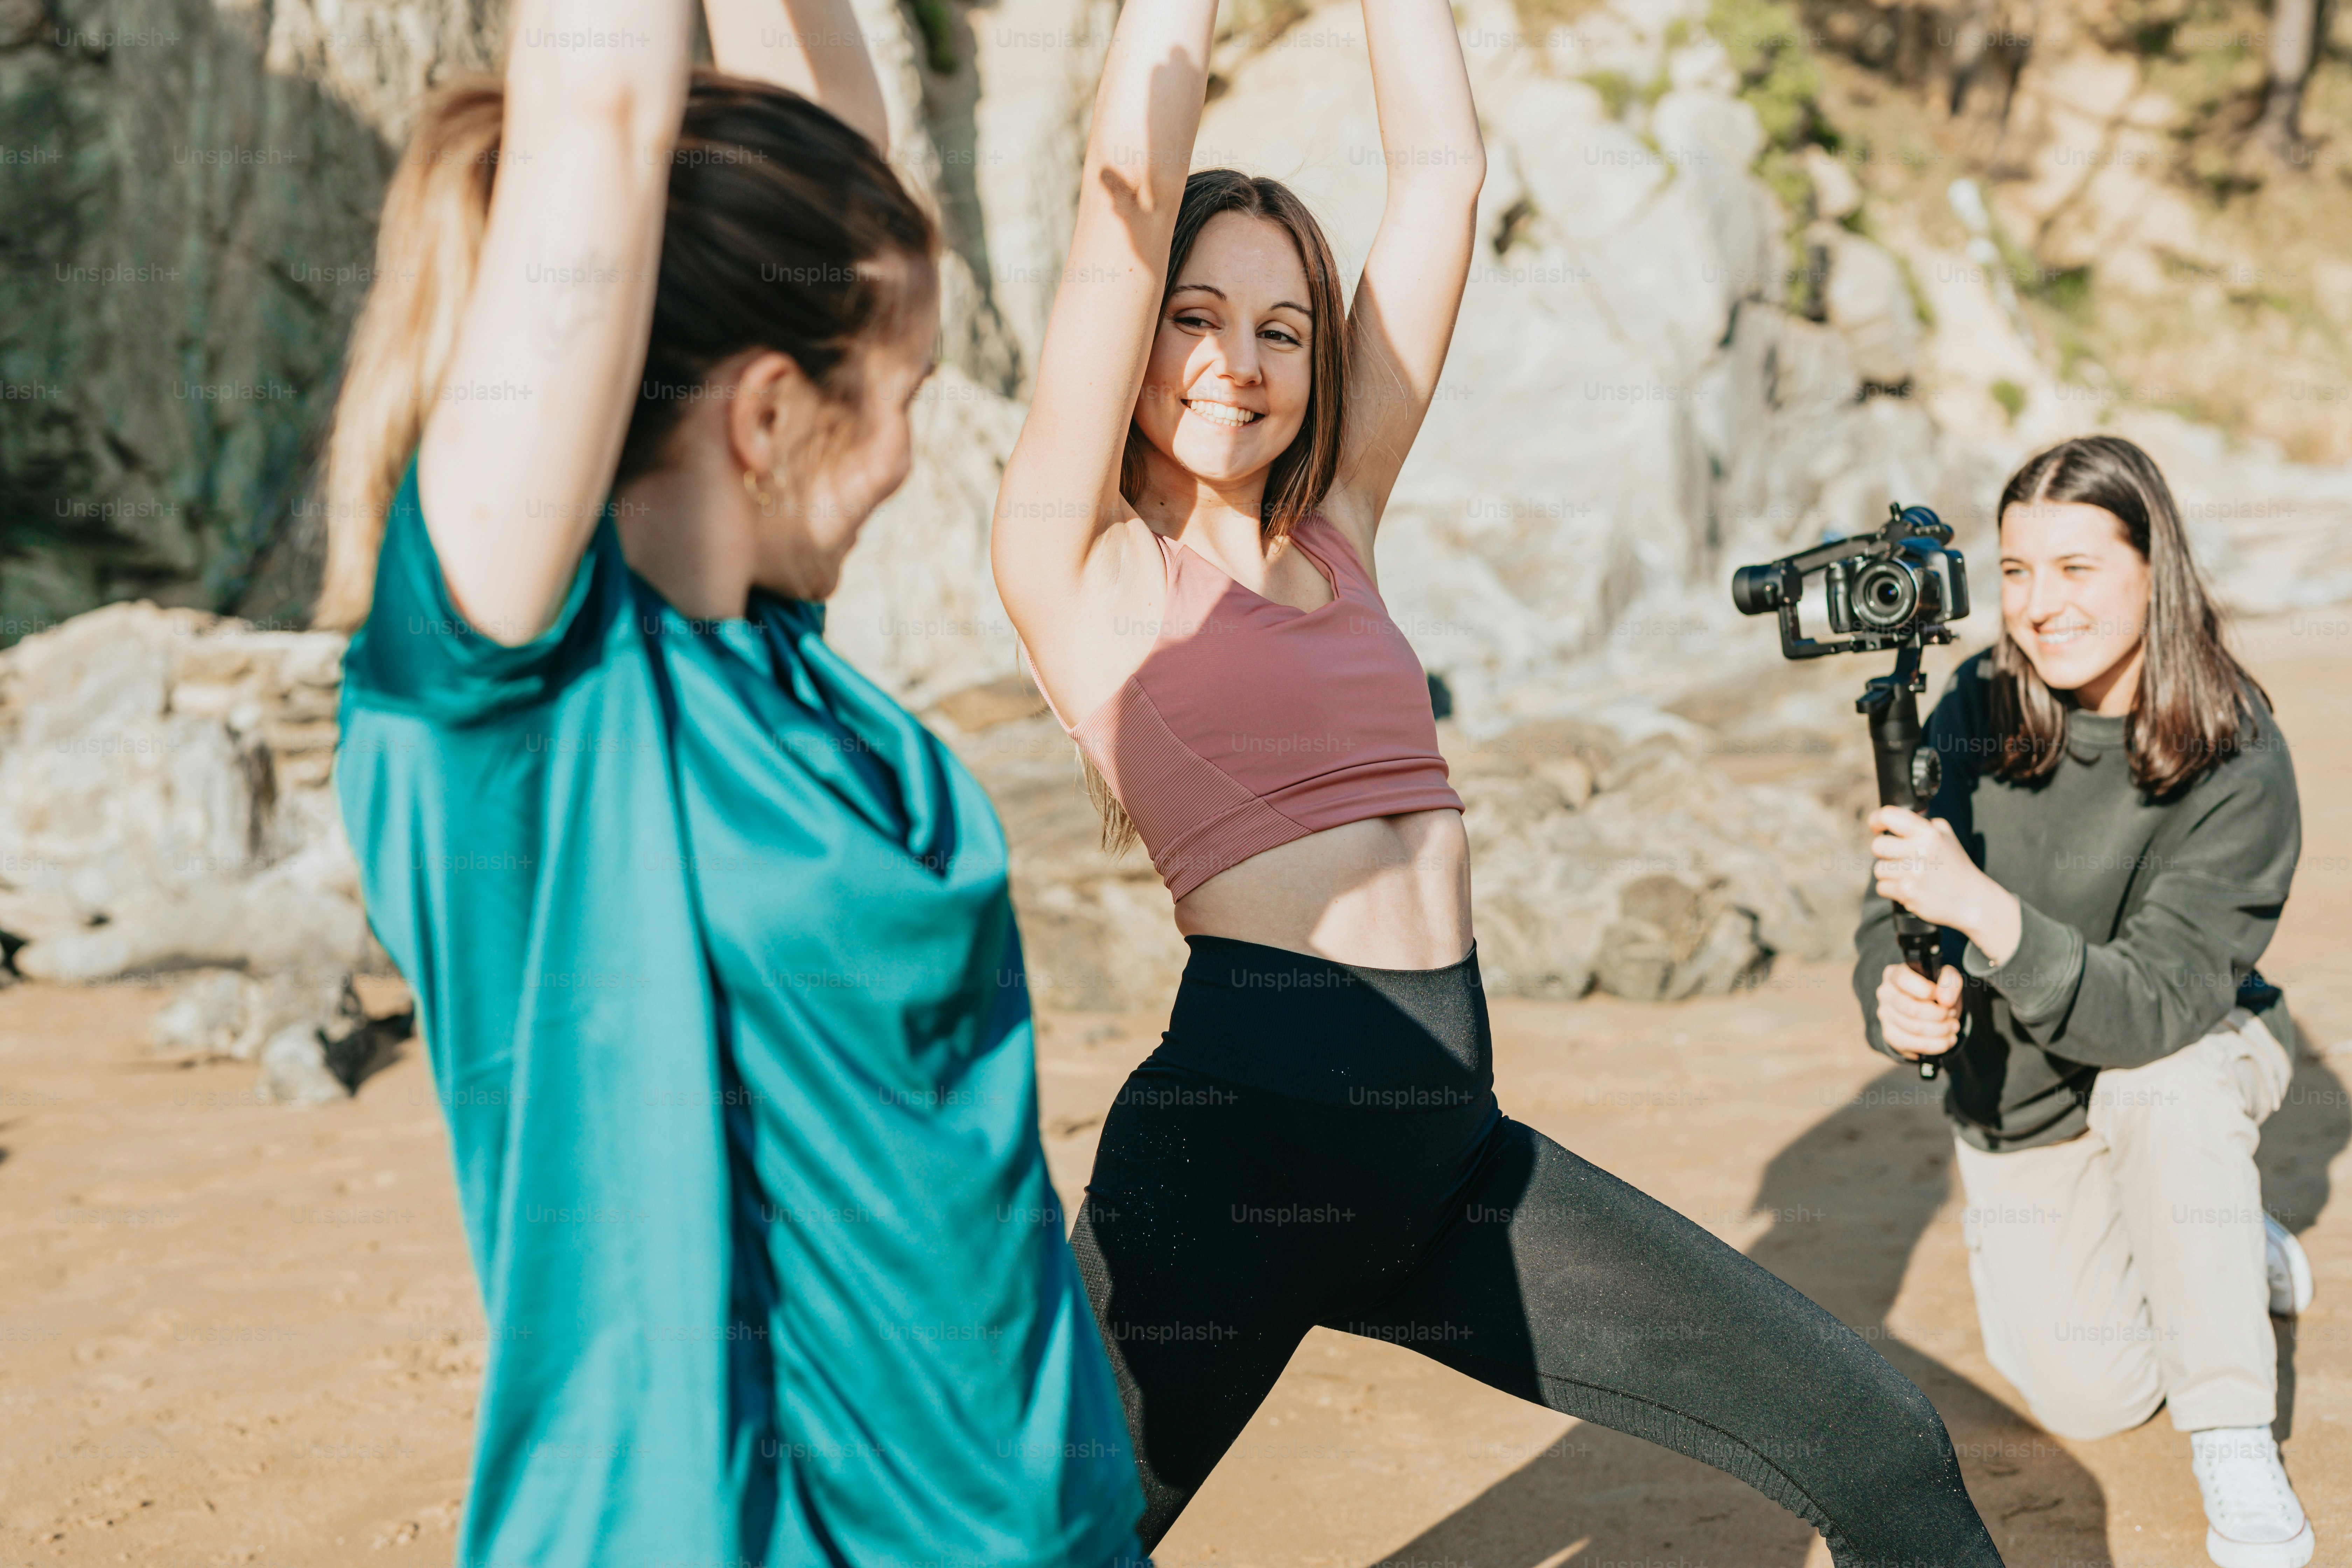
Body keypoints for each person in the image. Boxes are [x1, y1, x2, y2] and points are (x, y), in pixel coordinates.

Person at [990, 1, 2007, 1560]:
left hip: (1450, 1160)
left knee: (1877, 1443)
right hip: (1236, 1152)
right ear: (1135, 336)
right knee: (1037, 1543)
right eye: (1193, 317)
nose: (1238, 363)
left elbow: (1444, 175)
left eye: (1280, 327)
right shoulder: (1078, 561)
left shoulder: (1340, 518)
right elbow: (1114, 207)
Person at [320, 1, 1143, 1562]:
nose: (911, 454)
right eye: (901, 398)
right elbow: (607, 109)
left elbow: (833, 150)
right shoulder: (516, 709)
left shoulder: (776, 662)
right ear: (769, 415)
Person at [1860, 434, 2314, 1568]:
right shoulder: (1971, 705)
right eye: (2016, 572)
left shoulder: (2238, 756)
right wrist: (1894, 989)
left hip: (2189, 1040)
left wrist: (1985, 910)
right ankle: (2225, 1246)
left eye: (2076, 570)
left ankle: (2234, 1434)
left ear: (2153, 571)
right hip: (2022, 1088)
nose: (2038, 606)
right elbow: (1891, 897)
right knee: (2091, 1392)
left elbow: (2151, 1007)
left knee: (2161, 1091)